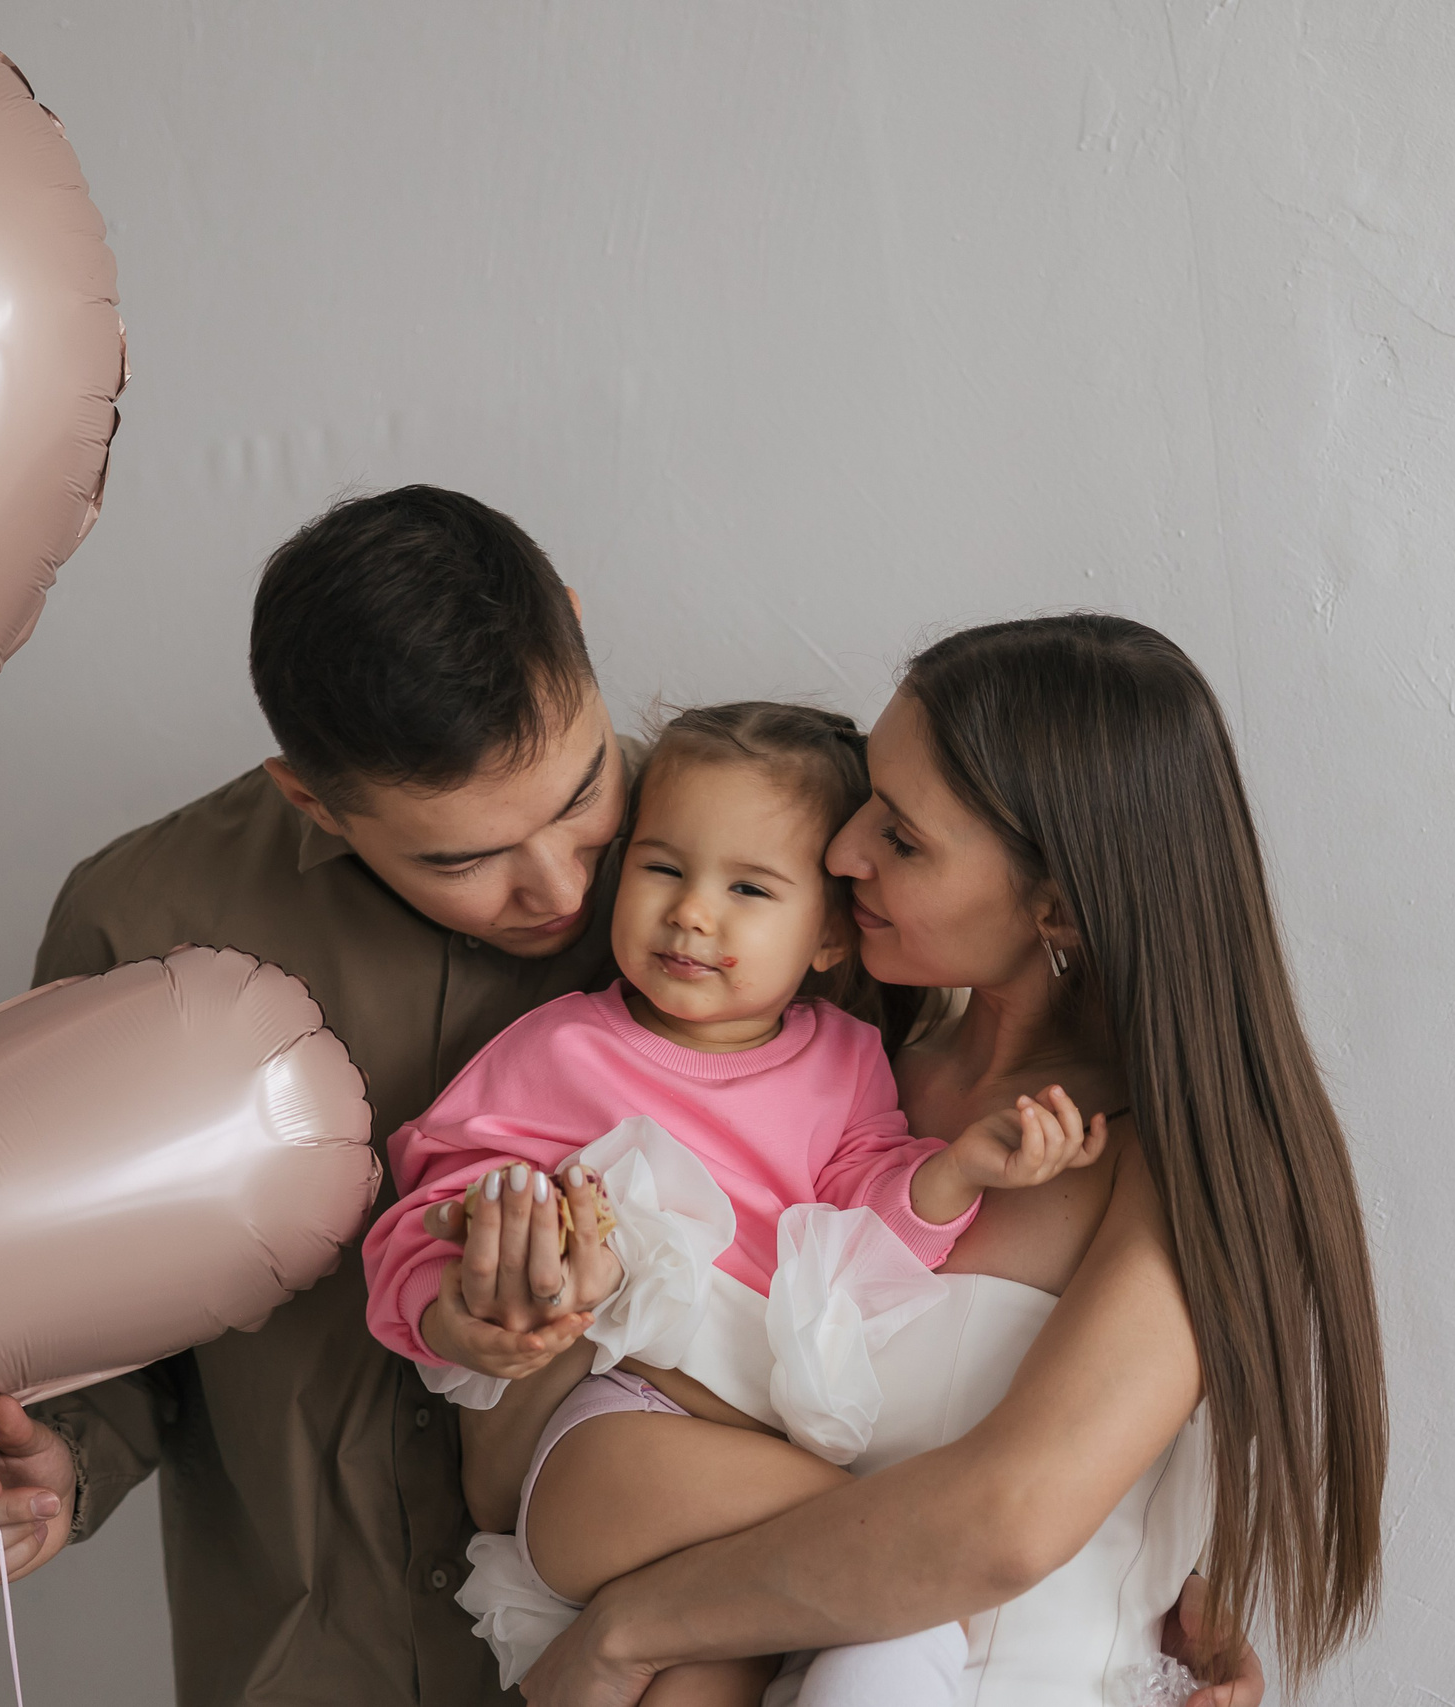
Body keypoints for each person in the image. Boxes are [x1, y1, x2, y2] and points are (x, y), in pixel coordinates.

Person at [470, 615, 1381, 1706]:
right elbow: (522, 1461)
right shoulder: (829, 1079)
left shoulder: (1187, 1161)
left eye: (900, 838)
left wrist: (629, 1630)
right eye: (866, 801)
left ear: (1057, 907)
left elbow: (1012, 1524)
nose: (841, 851)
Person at [0, 486, 638, 1707]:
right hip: (304, 1660)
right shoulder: (139, 929)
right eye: (463, 858)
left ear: (571, 621)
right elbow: (94, 1304)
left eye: (581, 795)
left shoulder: (742, 871)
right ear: (311, 799)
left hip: (647, 1656)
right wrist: (52, 1466)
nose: (559, 886)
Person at [362, 702, 1109, 1706]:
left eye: (748, 888)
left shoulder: (846, 1061)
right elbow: (437, 1200)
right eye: (663, 869)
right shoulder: (561, 1048)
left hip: (745, 1450)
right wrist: (450, 1307)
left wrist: (960, 1172)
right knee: (901, 1557)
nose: (691, 914)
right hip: (612, 1438)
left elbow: (862, 1225)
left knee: (725, 1664)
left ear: (831, 932)